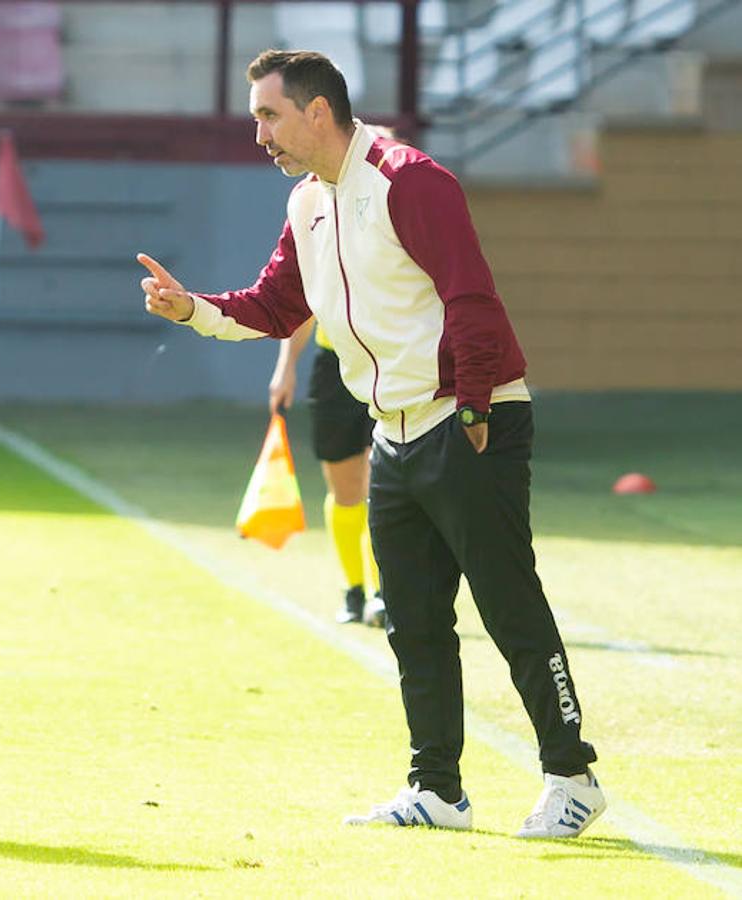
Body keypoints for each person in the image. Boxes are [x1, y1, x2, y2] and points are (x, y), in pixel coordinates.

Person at [138, 50, 604, 839]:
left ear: (318, 112)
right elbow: (274, 306)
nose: (260, 135)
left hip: (465, 417)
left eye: (269, 116)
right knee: (412, 619)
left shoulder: (411, 179)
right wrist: (193, 309)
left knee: (507, 602)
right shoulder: (306, 204)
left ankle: (572, 777)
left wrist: (476, 409)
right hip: (390, 432)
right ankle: (437, 790)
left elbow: (472, 297)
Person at [270, 311, 384, 628]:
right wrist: (286, 366)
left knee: (381, 485)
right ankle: (354, 590)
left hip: (387, 365)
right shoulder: (318, 258)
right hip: (334, 370)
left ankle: (382, 592)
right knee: (345, 492)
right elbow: (300, 307)